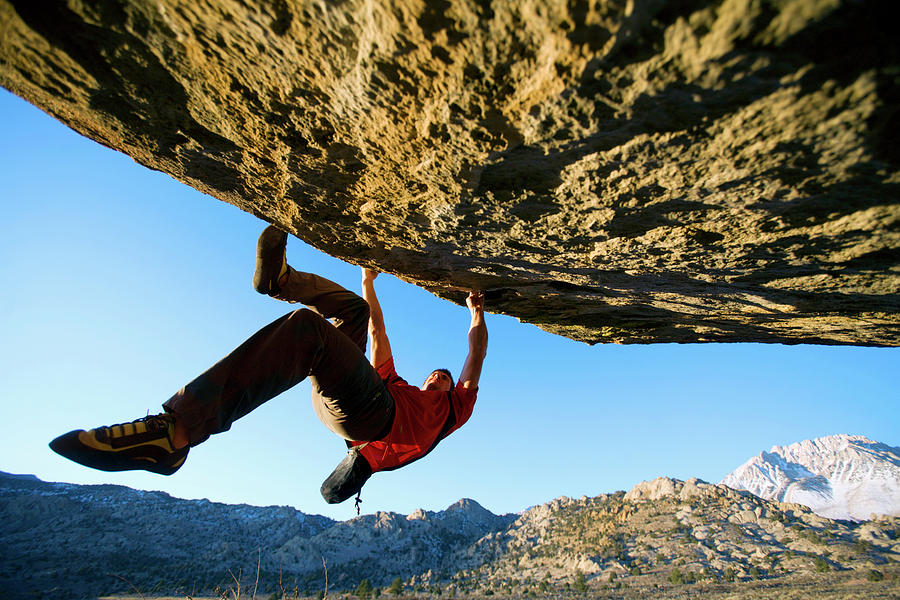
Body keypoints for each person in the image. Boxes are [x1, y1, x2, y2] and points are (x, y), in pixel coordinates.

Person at [50, 225, 488, 505]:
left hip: (374, 419)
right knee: (354, 313)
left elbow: (475, 356)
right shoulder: (396, 382)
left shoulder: (453, 410)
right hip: (354, 397)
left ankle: (176, 432)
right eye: (435, 372)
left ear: (449, 388)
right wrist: (367, 281)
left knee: (309, 331)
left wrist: (476, 315)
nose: (437, 375)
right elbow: (378, 333)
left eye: (443, 377)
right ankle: (282, 280)